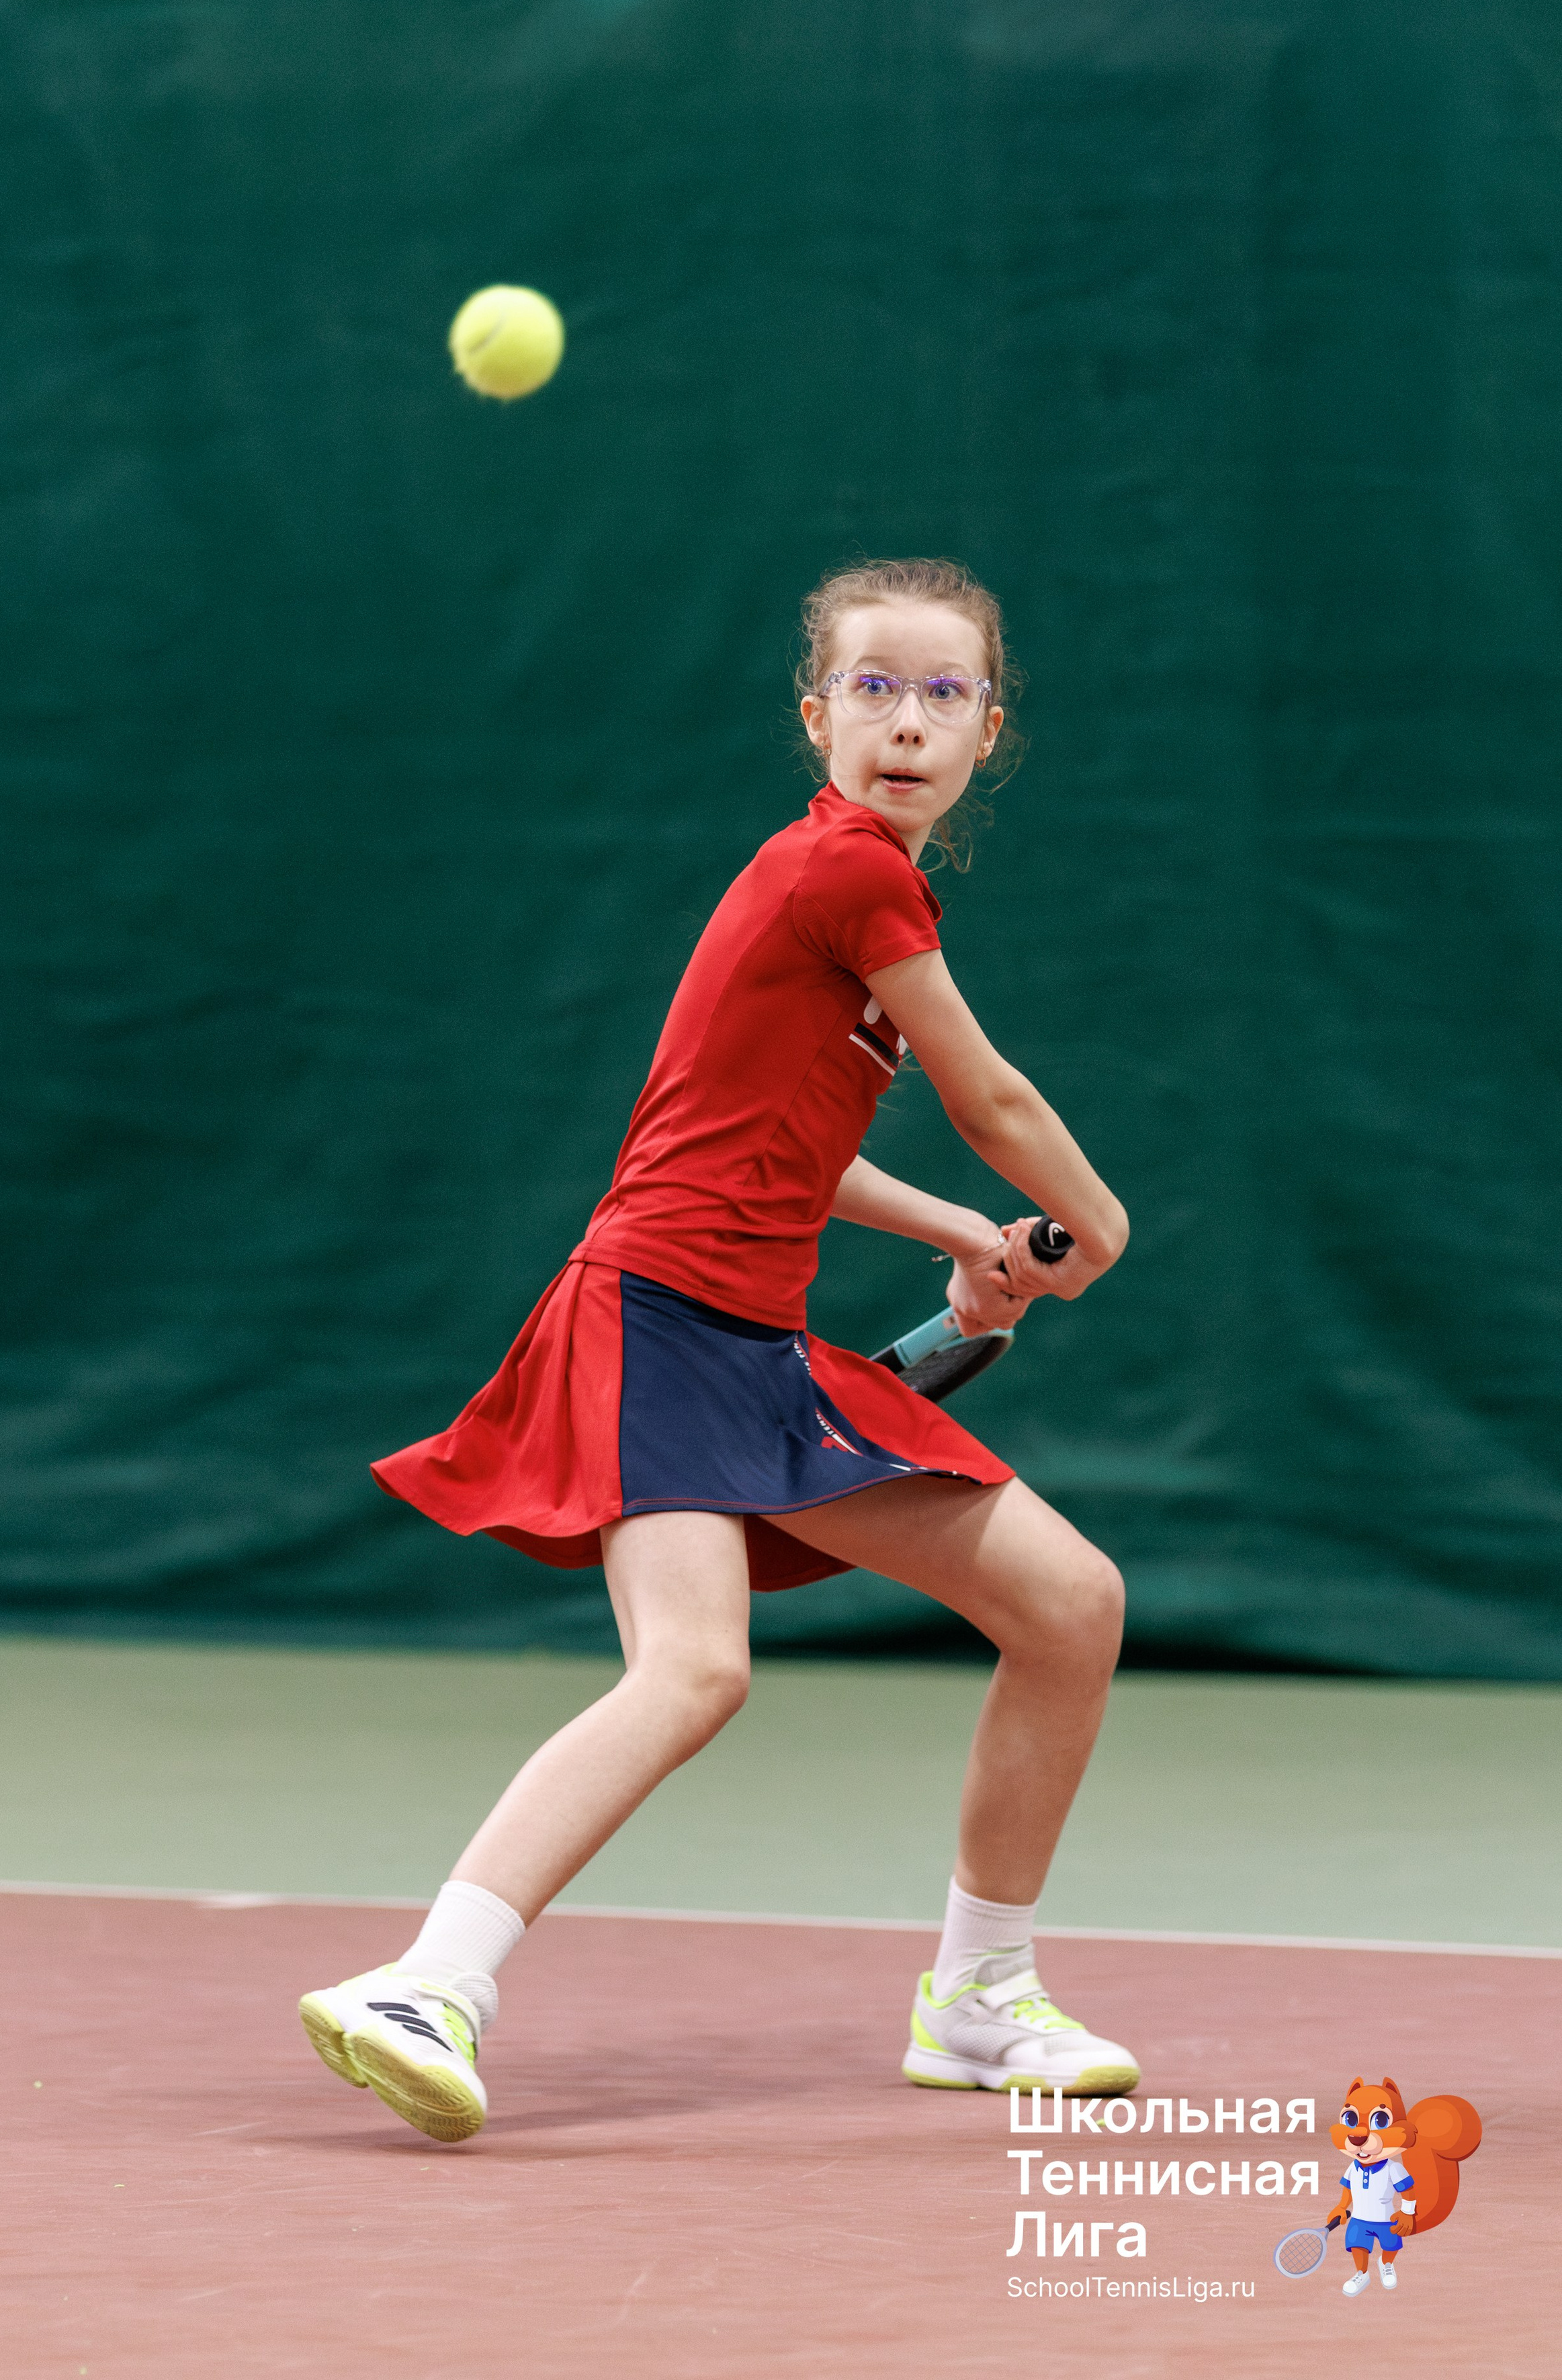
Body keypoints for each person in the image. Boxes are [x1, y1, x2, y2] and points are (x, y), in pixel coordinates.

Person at [300, 557, 1135, 2144]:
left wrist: (967, 1240)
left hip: (752, 1338)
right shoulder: (843, 873)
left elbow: (790, 1150)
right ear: (816, 715)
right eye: (871, 689)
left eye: (941, 692)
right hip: (653, 1319)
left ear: (987, 730)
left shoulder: (864, 894)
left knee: (1068, 1603)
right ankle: (430, 1980)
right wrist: (1091, 1226)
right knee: (692, 1668)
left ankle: (977, 1997)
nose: (904, 721)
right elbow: (992, 1096)